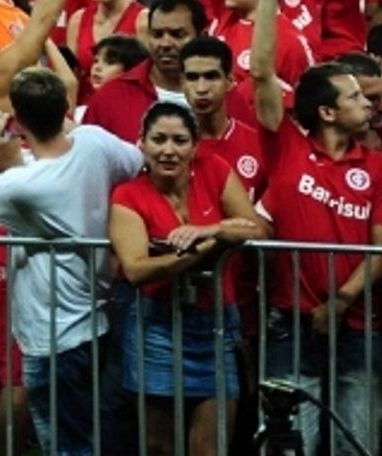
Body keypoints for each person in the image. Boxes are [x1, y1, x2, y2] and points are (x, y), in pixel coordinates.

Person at [249, 0, 382, 456]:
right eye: (356, 97)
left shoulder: (377, 167)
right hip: (289, 323)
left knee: (357, 444)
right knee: (293, 444)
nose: (368, 104)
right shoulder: (286, 146)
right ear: (328, 111)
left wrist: (342, 300)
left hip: (359, 326)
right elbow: (263, 72)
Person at [0, 67, 145, 456]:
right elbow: (136, 160)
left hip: (53, 337)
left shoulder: (26, 184)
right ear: (65, 109)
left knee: (67, 446)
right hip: (94, 323)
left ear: (18, 119)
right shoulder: (94, 142)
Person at [108, 102, 266, 456]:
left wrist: (211, 229)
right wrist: (212, 246)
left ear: (195, 147)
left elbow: (258, 228)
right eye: (158, 139)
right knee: (158, 446)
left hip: (216, 326)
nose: (168, 150)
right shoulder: (127, 195)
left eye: (179, 140)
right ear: (141, 144)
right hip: (155, 326)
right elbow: (136, 269)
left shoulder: (215, 170)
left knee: (211, 448)